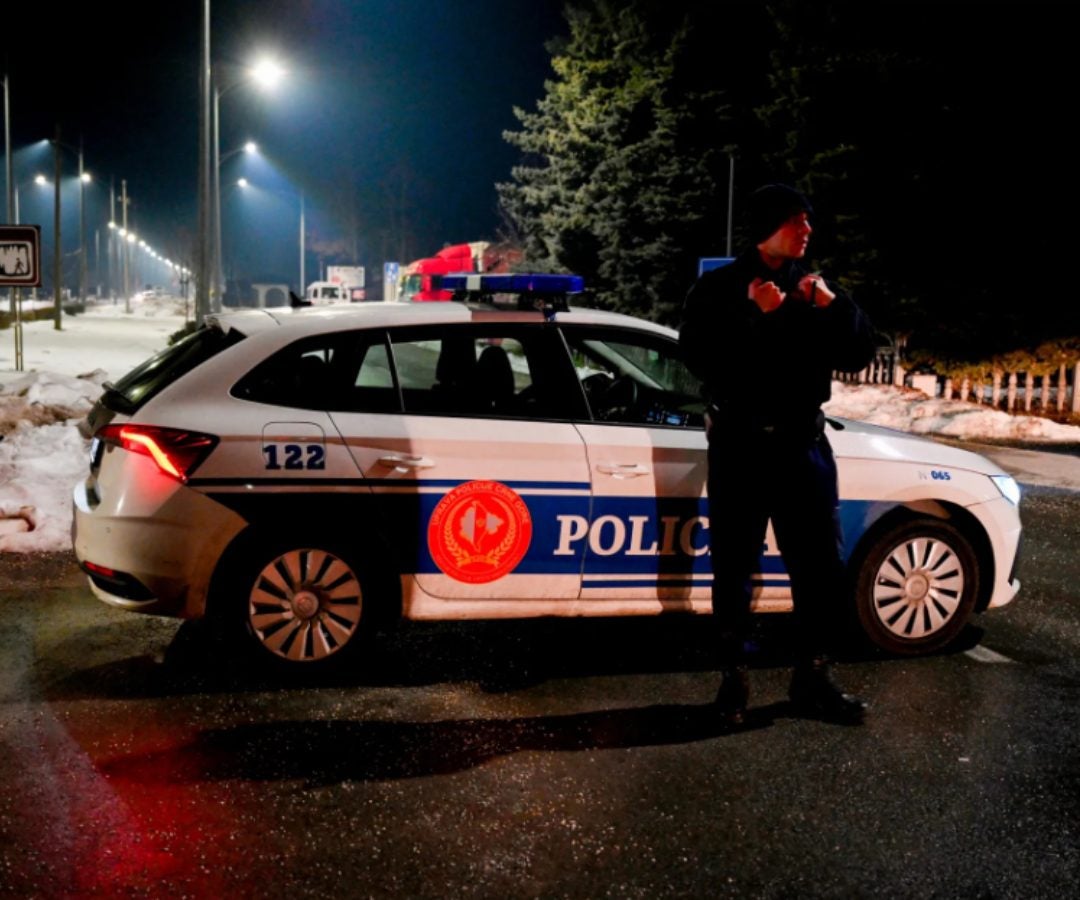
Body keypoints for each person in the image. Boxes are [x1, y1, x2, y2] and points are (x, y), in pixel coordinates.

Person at [679, 183, 878, 726]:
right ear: (768, 225)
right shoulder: (720, 288)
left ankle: (813, 678)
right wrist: (753, 316)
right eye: (797, 221)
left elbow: (859, 354)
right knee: (735, 569)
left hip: (802, 446)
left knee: (819, 568)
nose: (808, 231)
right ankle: (734, 684)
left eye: (808, 221)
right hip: (741, 446)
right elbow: (697, 358)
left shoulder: (816, 290)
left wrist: (837, 308)